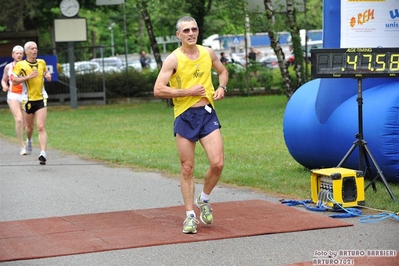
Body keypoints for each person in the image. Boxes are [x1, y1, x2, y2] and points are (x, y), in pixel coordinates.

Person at [154, 16, 228, 234]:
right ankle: (189, 216)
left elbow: (222, 71)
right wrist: (188, 91)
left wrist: (222, 87)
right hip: (185, 115)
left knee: (218, 163)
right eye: (186, 30)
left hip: (206, 114)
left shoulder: (208, 53)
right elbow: (158, 89)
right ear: (179, 35)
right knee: (187, 168)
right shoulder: (173, 59)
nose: (191, 33)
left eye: (194, 29)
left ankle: (203, 199)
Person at [12, 41, 51, 165]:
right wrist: (27, 77)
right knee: (29, 128)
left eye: (36, 48)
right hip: (27, 100)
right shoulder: (20, 65)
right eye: (32, 49)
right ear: (27, 51)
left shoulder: (42, 62)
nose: (35, 50)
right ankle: (29, 140)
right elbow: (14, 81)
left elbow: (44, 71)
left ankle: (43, 153)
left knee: (40, 126)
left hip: (41, 98)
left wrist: (48, 74)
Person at [1, 45, 27, 155]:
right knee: (19, 119)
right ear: (12, 55)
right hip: (13, 95)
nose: (19, 55)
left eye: (20, 53)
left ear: (23, 55)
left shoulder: (27, 66)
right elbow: (3, 80)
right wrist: (4, 86)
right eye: (16, 53)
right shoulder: (8, 67)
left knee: (26, 124)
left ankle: (28, 140)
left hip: (26, 95)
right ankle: (22, 146)